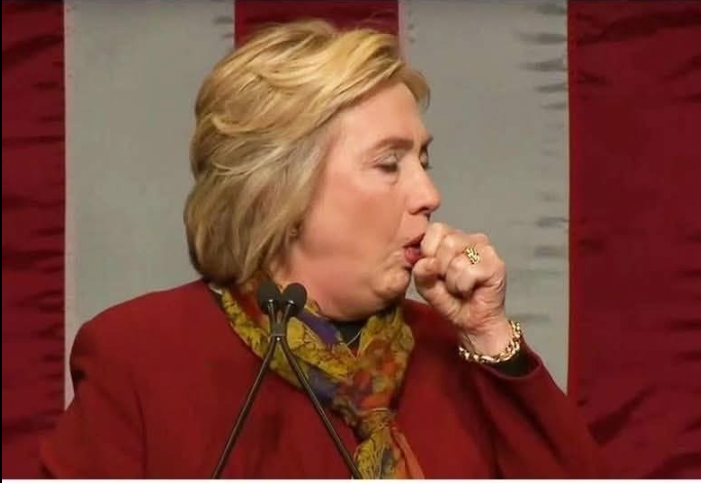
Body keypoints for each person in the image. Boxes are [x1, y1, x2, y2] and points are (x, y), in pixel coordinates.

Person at [40, 20, 603, 478]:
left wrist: (490, 334)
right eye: (389, 164)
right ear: (280, 190)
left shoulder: (458, 351)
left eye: (423, 160)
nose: (429, 194)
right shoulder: (140, 355)